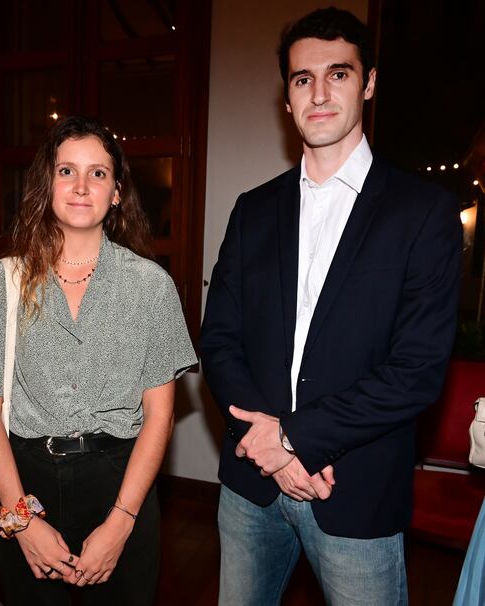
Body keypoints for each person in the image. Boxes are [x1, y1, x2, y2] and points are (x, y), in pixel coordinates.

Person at [201, 7, 461, 605]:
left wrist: (292, 440)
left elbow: (416, 371)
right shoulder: (253, 210)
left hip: (355, 491)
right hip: (250, 486)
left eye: (337, 74)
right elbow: (219, 339)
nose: (318, 93)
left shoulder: (422, 213)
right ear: (287, 96)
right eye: (302, 79)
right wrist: (270, 451)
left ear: (368, 84)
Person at [0, 115, 196, 605]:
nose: (81, 186)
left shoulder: (151, 286)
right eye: (67, 171)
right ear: (47, 184)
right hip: (26, 482)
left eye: (98, 173)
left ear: (117, 193)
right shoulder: (5, 282)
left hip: (120, 483)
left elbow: (159, 417)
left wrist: (120, 523)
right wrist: (23, 521)